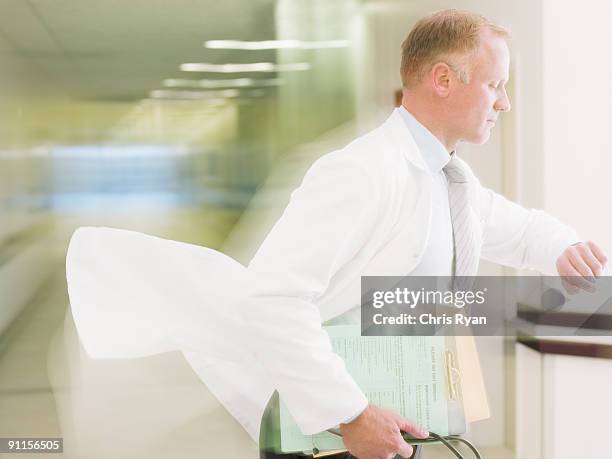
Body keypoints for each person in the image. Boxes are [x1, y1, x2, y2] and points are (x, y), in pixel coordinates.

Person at [243, 9, 608, 459]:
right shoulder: (362, 173)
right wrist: (350, 413)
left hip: (390, 428)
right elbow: (270, 298)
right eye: (494, 84)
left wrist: (563, 247)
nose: (504, 103)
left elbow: (515, 227)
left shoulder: (450, 181)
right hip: (329, 440)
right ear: (442, 79)